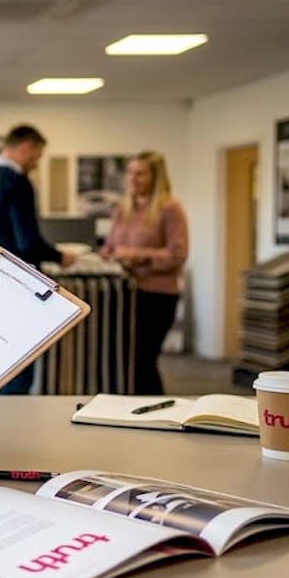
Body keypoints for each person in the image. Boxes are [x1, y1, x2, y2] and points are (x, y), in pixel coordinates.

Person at [0, 123, 75, 394]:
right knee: (17, 362)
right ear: (26, 148)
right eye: (37, 156)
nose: (36, 163)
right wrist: (59, 256)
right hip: (14, 284)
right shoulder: (16, 182)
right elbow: (27, 240)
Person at [100, 150, 189, 395]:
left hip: (157, 297)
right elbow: (109, 246)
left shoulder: (170, 208)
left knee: (143, 362)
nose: (132, 179)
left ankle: (154, 414)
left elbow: (177, 254)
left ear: (155, 176)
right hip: (125, 295)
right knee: (124, 361)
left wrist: (135, 256)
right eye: (130, 173)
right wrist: (108, 254)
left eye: (140, 174)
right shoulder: (122, 209)